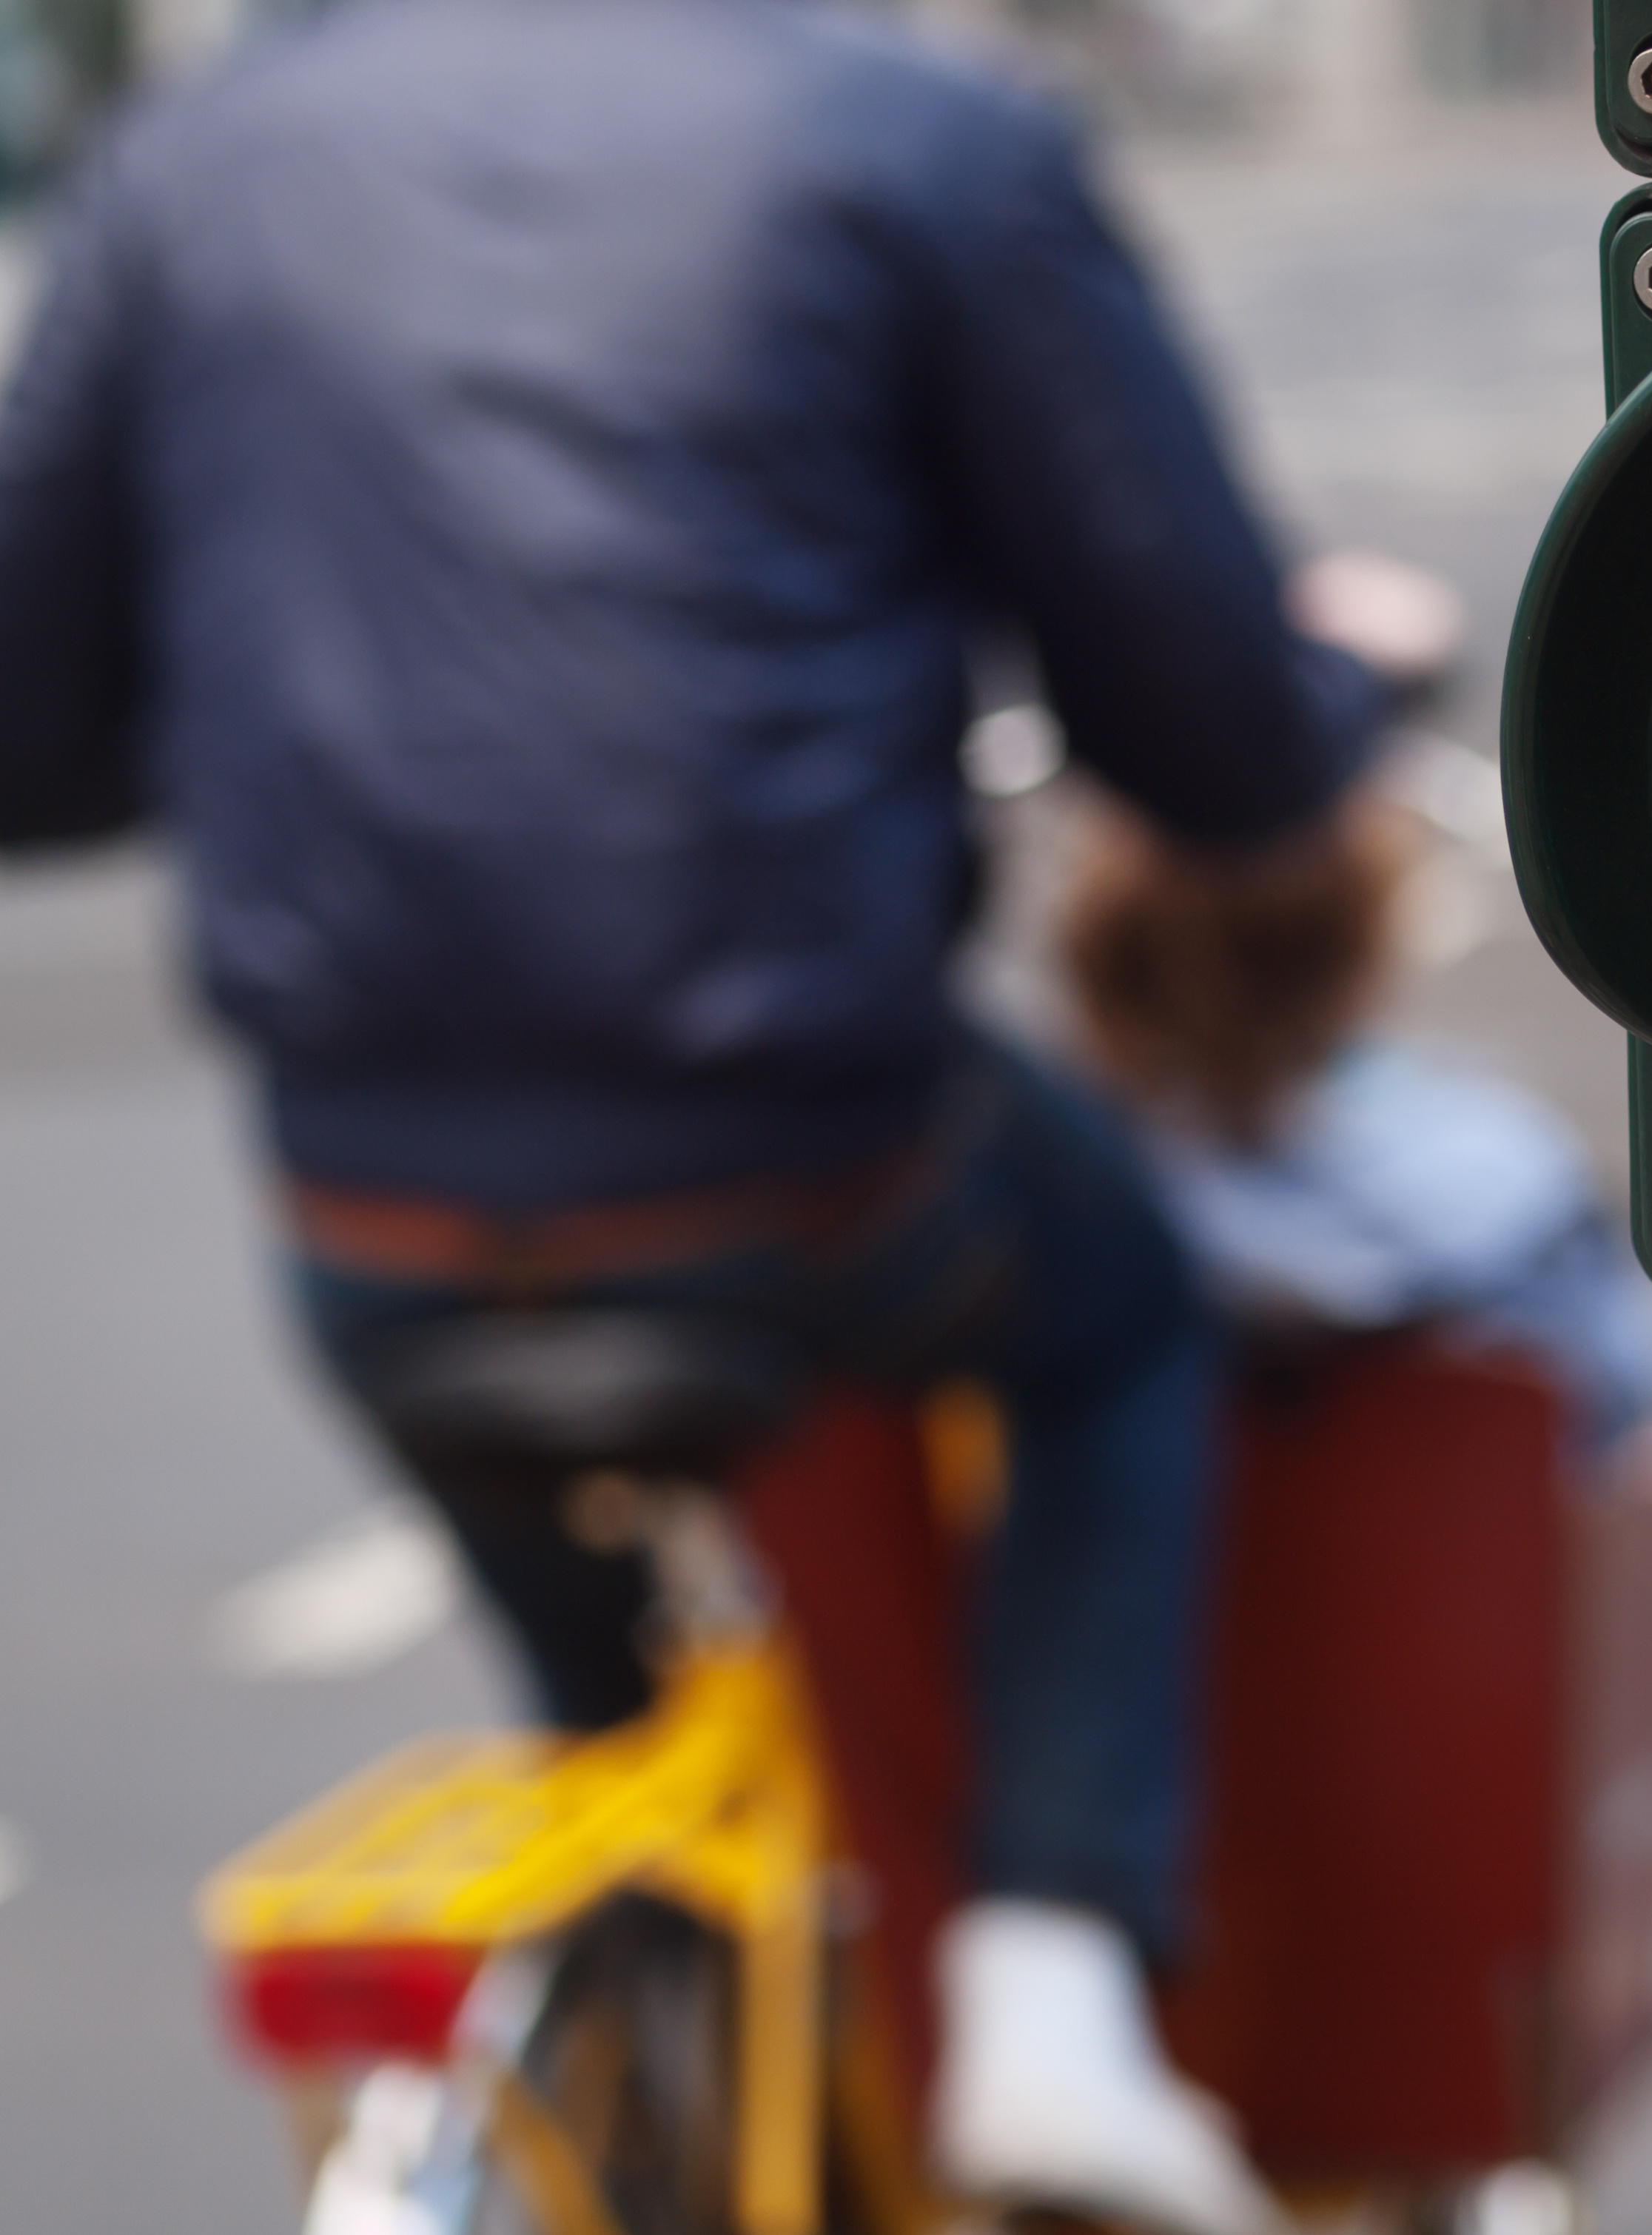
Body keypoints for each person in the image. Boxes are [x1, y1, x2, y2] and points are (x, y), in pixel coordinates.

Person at [0, 1, 1379, 2228]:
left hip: (372, 1204)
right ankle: (1054, 1976)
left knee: (606, 1689)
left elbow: (28, 720)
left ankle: (622, 1970)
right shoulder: (919, 138)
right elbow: (1204, 723)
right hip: (816, 1164)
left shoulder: (200, 155)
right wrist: (1342, 680)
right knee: (1115, 1323)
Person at [1063, 793, 1652, 1453]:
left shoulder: (1054, 1209)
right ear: (1361, 953)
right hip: (1458, 1546)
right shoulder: (1515, 1179)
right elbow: (1623, 1400)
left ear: (1108, 959)